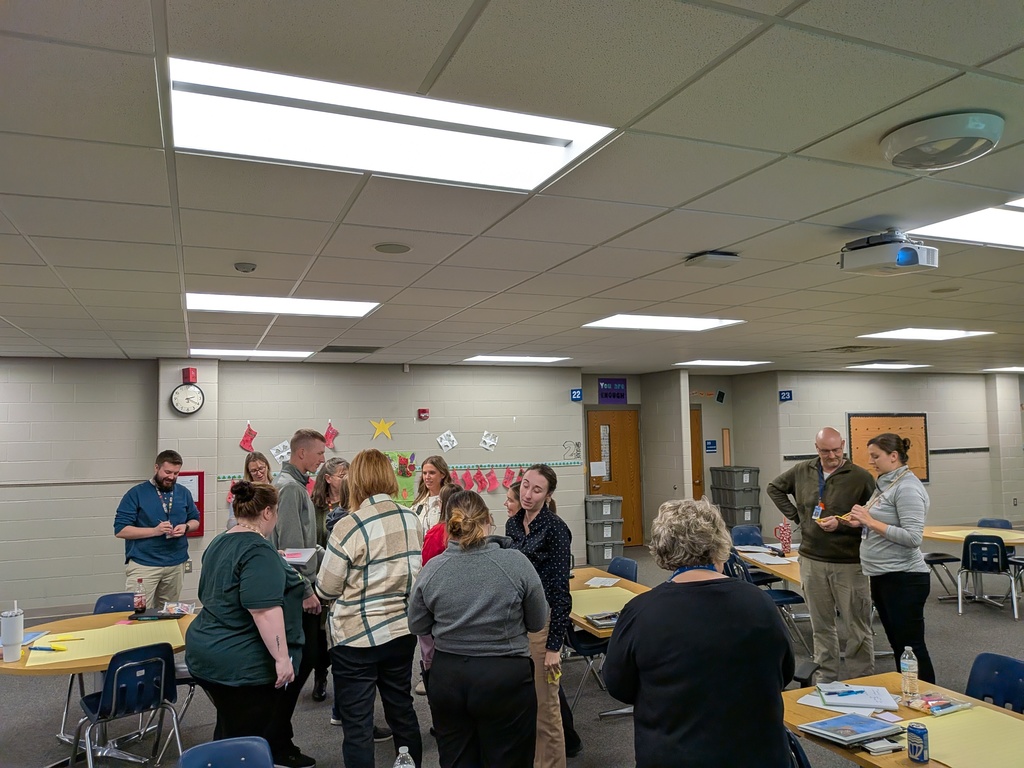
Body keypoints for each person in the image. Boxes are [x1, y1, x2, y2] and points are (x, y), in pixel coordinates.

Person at [603, 498, 794, 768]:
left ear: (662, 548)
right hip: (757, 754)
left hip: (674, 753)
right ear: (719, 542)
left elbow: (618, 685)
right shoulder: (760, 602)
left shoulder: (641, 611)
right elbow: (783, 673)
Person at [409, 489, 547, 768]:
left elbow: (418, 624)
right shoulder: (516, 563)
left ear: (449, 525)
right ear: (488, 520)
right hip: (503, 677)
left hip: (449, 677)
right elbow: (537, 621)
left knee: (456, 759)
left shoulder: (432, 569)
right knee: (509, 759)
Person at [185, 481, 307, 766]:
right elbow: (264, 611)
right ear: (267, 512)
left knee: (230, 726)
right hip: (239, 663)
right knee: (245, 739)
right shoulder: (258, 551)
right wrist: (281, 658)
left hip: (205, 651)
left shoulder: (221, 540)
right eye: (275, 513)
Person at [315, 448, 423, 768]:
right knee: (401, 711)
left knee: (358, 726)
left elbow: (326, 588)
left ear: (356, 481)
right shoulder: (412, 518)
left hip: (355, 639)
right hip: (401, 632)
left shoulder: (348, 526)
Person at [766, 426, 876, 681]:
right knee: (821, 625)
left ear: (844, 445)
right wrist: (799, 517)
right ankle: (826, 677)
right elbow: (775, 488)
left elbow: (873, 516)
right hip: (812, 559)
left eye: (837, 450)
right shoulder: (803, 470)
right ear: (817, 449)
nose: (832, 456)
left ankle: (862, 677)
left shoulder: (860, 477)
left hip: (849, 562)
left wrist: (844, 523)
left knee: (856, 626)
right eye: (826, 451)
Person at [829, 432, 936, 683]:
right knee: (899, 646)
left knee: (911, 647)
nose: (872, 462)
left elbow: (912, 538)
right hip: (882, 575)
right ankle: (909, 692)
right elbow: (877, 521)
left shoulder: (907, 488)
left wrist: (870, 521)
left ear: (894, 456)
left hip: (905, 578)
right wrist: (855, 521)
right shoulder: (886, 483)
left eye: (876, 456)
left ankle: (930, 695)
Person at [506, 464, 571, 768]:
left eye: (537, 489)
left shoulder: (555, 528)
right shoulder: (514, 525)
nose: (528, 494)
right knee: (523, 705)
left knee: (546, 709)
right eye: (525, 485)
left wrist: (554, 646)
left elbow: (560, 591)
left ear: (548, 495)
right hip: (516, 623)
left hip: (542, 626)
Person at [272, 429, 327, 759]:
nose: (322, 459)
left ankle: (279, 734)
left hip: (299, 586)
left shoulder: (294, 485)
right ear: (301, 453)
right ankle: (279, 740)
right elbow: (290, 551)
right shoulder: (290, 489)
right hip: (296, 593)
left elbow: (304, 545)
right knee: (300, 663)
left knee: (309, 659)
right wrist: (307, 590)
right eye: (319, 453)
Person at [114, 449, 200, 610]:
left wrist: (186, 527)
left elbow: (195, 520)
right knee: (139, 611)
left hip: (176, 563)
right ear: (156, 468)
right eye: (167, 472)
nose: (171, 477)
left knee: (169, 611)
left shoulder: (183, 492)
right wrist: (154, 531)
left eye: (176, 473)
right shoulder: (136, 494)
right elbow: (121, 530)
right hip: (144, 564)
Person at [309, 458, 350, 703]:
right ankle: (320, 675)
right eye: (342, 475)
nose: (346, 479)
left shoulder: (352, 504)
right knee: (320, 634)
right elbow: (311, 541)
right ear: (328, 478)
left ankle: (343, 680)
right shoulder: (316, 507)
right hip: (321, 575)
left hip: (345, 577)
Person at [416, 484, 460, 696]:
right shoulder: (471, 532)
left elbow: (426, 566)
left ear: (442, 505)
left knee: (431, 648)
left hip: (437, 599)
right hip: (460, 600)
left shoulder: (437, 533)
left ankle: (432, 681)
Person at [226, 451, 272, 530]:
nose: (259, 473)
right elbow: (231, 523)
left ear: (267, 467)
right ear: (248, 472)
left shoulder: (276, 488)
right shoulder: (243, 493)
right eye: (254, 471)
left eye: (261, 468)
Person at [411, 455, 454, 532]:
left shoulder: (450, 501)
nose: (427, 477)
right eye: (424, 473)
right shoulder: (418, 503)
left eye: (432, 473)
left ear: (443, 474)